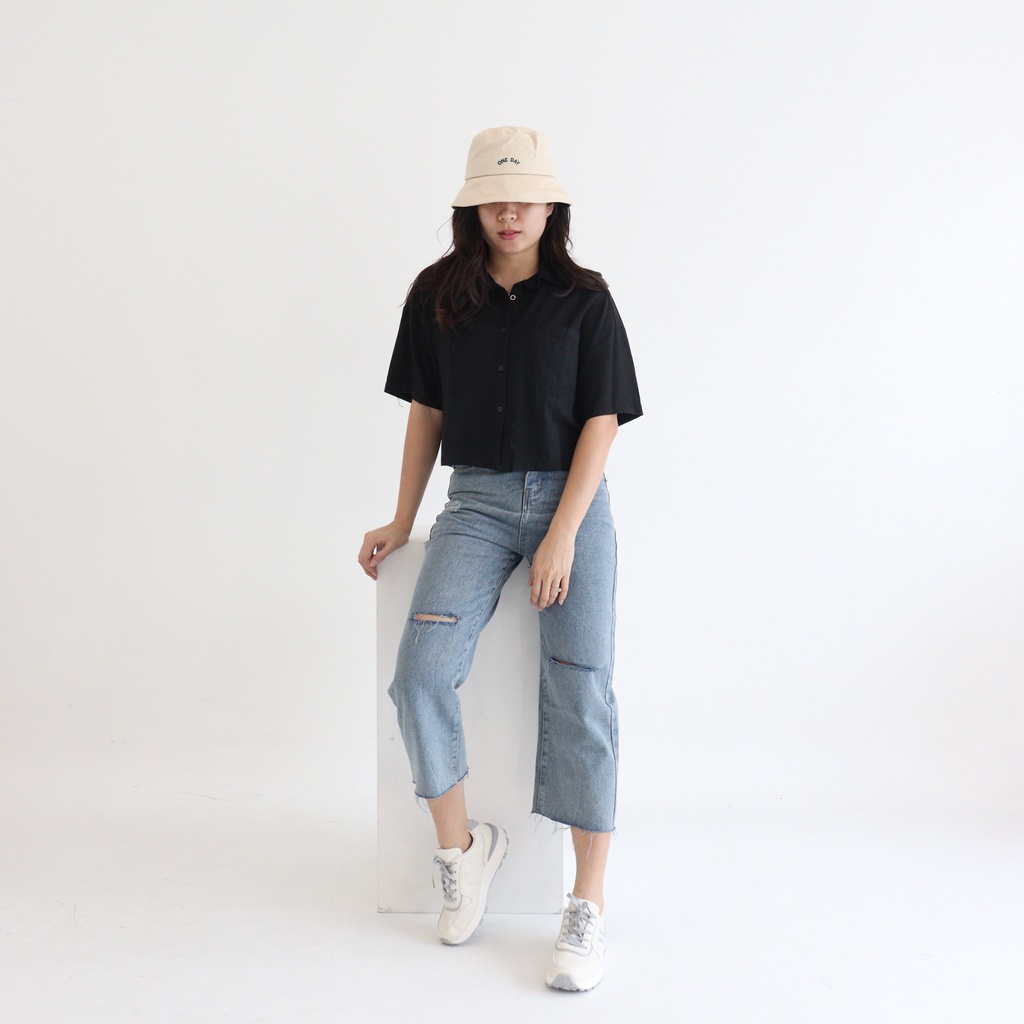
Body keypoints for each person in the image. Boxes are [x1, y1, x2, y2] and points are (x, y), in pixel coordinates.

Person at [358, 125, 642, 992]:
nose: (509, 213)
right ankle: (463, 850)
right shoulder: (436, 296)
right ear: (471, 208)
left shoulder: (586, 301)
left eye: (524, 199)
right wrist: (403, 519)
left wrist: (563, 532)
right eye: (492, 199)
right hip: (476, 503)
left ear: (552, 206)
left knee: (582, 689)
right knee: (420, 674)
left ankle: (585, 903)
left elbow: (601, 421)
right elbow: (426, 412)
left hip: (571, 503)